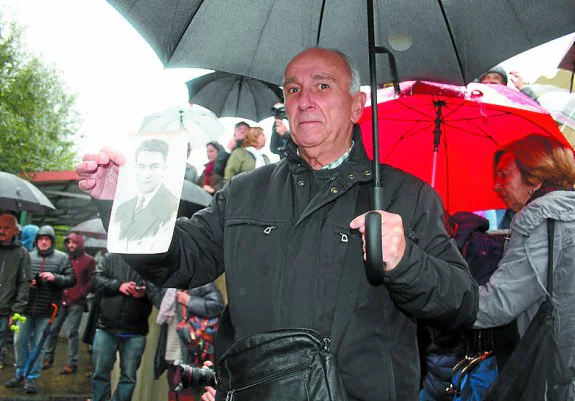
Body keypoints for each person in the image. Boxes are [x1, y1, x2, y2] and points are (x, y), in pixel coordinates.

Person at [76, 47, 478, 401]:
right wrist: (123, 205)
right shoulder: (244, 191)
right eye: (292, 89)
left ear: (357, 105)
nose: (304, 100)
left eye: (322, 86)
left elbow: (460, 304)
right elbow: (180, 261)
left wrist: (406, 262)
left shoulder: (406, 196)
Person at [474, 134, 575, 399]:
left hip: (552, 380)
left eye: (505, 175)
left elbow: (497, 305)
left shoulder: (539, 217)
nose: (497, 186)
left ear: (536, 176)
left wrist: (435, 294)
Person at [6, 225, 76, 394]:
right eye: (41, 239)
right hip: (26, 307)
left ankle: (31, 378)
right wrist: (28, 282)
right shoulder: (27, 256)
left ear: (51, 242)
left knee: (38, 345)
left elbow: (71, 279)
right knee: (19, 341)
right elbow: (17, 279)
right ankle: (20, 373)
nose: (44, 242)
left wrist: (54, 277)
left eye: (47, 239)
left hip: (48, 309)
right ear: (37, 241)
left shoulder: (62, 258)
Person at [91, 252, 161, 401]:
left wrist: (144, 291)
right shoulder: (111, 257)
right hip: (106, 328)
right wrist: (118, 286)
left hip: (136, 331)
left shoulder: (151, 263)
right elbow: (96, 279)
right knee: (100, 374)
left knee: (129, 378)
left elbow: (159, 296)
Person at [154, 283, 224, 399]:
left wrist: (189, 301)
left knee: (185, 390)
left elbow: (217, 305)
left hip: (190, 350)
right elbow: (157, 299)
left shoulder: (201, 282)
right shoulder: (168, 285)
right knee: (173, 387)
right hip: (172, 349)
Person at [111, 138, 179, 251]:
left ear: (165, 168)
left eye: (154, 166)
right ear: (135, 168)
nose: (147, 174)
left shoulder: (173, 206)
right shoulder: (122, 208)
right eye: (142, 166)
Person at [43, 233, 96, 374]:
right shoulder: (63, 259)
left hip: (76, 302)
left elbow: (92, 279)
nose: (70, 245)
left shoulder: (89, 261)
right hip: (60, 299)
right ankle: (48, 358)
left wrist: (82, 292)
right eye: (68, 242)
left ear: (80, 244)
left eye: (74, 242)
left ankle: (72, 363)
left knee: (72, 332)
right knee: (53, 329)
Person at [0, 214, 32, 370]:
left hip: (5, 308)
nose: (1, 231)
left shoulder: (21, 253)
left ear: (15, 230)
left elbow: (24, 283)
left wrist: (17, 309)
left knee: (1, 338)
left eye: (6, 228)